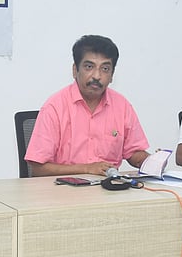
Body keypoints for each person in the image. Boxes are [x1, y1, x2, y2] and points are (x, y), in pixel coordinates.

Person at [24, 34, 150, 176]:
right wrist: (86, 169)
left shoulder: (122, 106)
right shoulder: (54, 107)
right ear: (75, 70)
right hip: (63, 187)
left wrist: (153, 162)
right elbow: (38, 169)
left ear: (112, 75)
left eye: (105, 69)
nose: (97, 76)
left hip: (107, 187)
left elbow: (134, 153)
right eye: (89, 67)